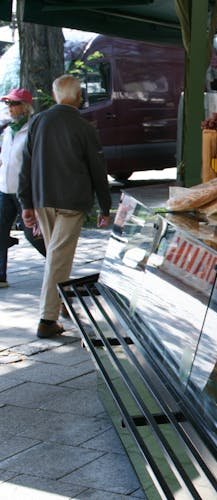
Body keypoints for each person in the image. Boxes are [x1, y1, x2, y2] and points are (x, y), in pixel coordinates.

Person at [18, 74, 111, 338]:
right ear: (79, 96)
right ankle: (48, 319)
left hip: (43, 199)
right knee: (58, 257)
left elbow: (26, 165)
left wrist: (26, 202)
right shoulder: (84, 127)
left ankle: (62, 303)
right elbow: (97, 169)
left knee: (57, 256)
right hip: (72, 201)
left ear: (55, 93)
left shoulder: (37, 122)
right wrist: (104, 206)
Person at [0, 88, 46, 288]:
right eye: (8, 103)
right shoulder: (8, 130)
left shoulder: (33, 130)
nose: (10, 108)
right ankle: (0, 276)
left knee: (33, 235)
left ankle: (58, 264)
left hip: (24, 193)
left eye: (14, 103)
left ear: (25, 107)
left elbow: (37, 164)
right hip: (4, 190)